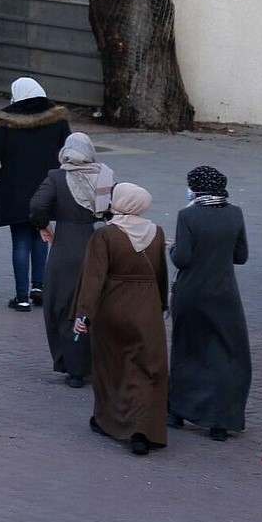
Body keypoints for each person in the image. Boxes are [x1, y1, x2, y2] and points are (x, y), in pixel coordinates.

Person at [71, 182, 169, 456]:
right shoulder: (156, 233)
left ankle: (108, 421)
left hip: (112, 307)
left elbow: (93, 278)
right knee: (146, 367)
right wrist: (162, 304)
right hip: (146, 308)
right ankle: (143, 428)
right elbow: (160, 273)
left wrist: (83, 315)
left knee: (111, 366)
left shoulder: (106, 236)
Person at [166, 166, 251, 442]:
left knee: (187, 350)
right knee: (226, 354)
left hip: (192, 293)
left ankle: (178, 411)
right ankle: (220, 421)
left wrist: (171, 248)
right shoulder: (234, 213)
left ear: (196, 188)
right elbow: (241, 256)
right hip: (225, 294)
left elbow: (182, 259)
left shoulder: (188, 215)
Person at [29, 132, 115, 388]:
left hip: (65, 246)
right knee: (91, 303)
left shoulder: (57, 177)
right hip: (96, 242)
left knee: (62, 304)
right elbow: (114, 208)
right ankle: (90, 362)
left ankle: (72, 365)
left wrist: (43, 225)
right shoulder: (105, 176)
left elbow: (37, 206)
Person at [0, 77, 70, 311]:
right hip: (47, 187)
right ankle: (39, 287)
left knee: (20, 240)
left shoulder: (4, 120)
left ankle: (21, 297)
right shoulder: (57, 119)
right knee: (41, 234)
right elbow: (67, 152)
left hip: (14, 189)